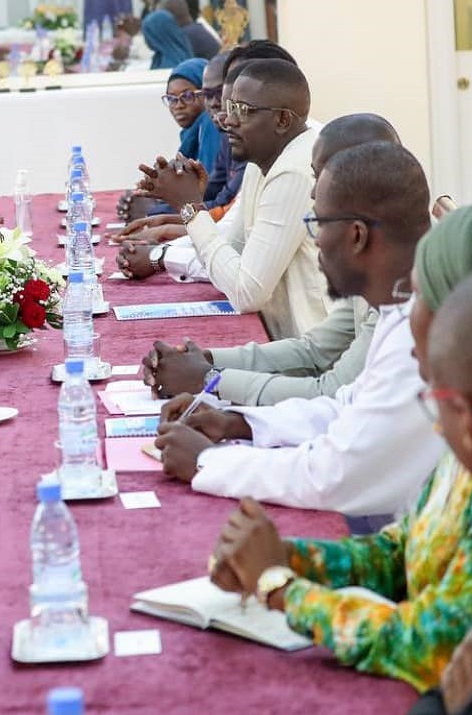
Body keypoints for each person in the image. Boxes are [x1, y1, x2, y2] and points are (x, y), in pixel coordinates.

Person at [206, 224, 472, 694]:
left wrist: (280, 587)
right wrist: (289, 556)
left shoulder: (468, 426)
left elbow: (429, 644)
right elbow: (401, 552)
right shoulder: (464, 438)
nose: (403, 315)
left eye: (415, 296)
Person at [153, 142, 444, 517]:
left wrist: (208, 462)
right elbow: (347, 406)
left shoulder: (418, 333)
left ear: (357, 235)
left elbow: (335, 477)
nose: (315, 240)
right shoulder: (399, 306)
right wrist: (235, 422)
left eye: (317, 223)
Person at [141, 114, 401, 406]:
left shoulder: (399, 276)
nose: (313, 192)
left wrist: (209, 379)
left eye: (320, 179)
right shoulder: (374, 249)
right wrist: (204, 359)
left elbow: (332, 392)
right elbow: (314, 351)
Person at [131, 59, 329, 340]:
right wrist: (162, 248)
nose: (226, 120)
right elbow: (231, 249)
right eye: (228, 108)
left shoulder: (295, 171)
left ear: (282, 120)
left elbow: (246, 292)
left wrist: (191, 209)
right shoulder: (261, 159)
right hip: (280, 340)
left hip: (310, 354)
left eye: (241, 110)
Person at [115, 41, 298, 245]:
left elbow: (242, 262)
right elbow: (227, 225)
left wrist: (161, 251)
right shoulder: (250, 151)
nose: (220, 107)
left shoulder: (293, 165)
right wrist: (166, 210)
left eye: (239, 99)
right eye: (208, 95)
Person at [163, 58, 220, 169]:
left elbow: (210, 180)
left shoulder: (211, 125)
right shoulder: (192, 135)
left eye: (187, 96)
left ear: (207, 94)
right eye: (171, 99)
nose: (179, 105)